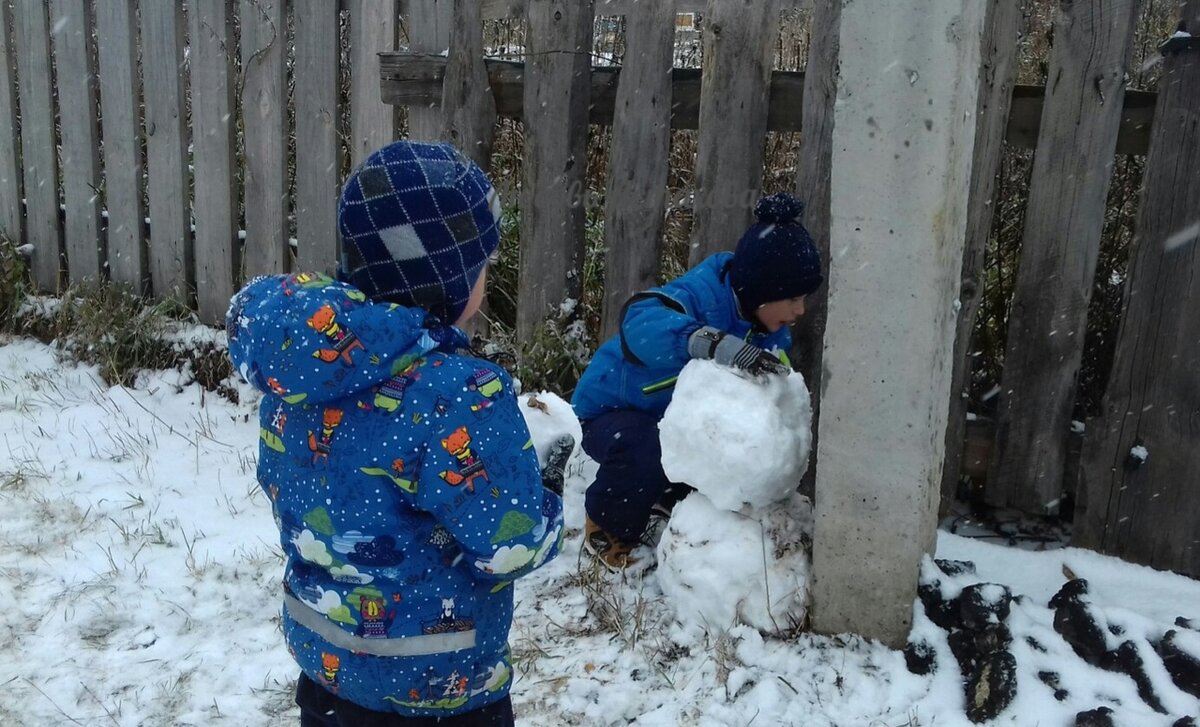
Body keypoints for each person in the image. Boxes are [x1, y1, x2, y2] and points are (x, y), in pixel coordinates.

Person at [226, 141, 564, 726]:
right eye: (482, 264)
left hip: (328, 674)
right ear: (451, 282)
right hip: (439, 687)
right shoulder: (461, 395)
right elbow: (511, 543)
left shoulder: (301, 374)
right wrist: (548, 482)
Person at [571, 193, 824, 569]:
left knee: (711, 460)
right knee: (646, 451)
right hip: (615, 412)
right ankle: (609, 527)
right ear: (760, 291)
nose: (800, 310)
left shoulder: (766, 330)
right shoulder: (699, 297)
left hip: (676, 423)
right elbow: (640, 322)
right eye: (791, 298)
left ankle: (668, 493)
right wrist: (710, 342)